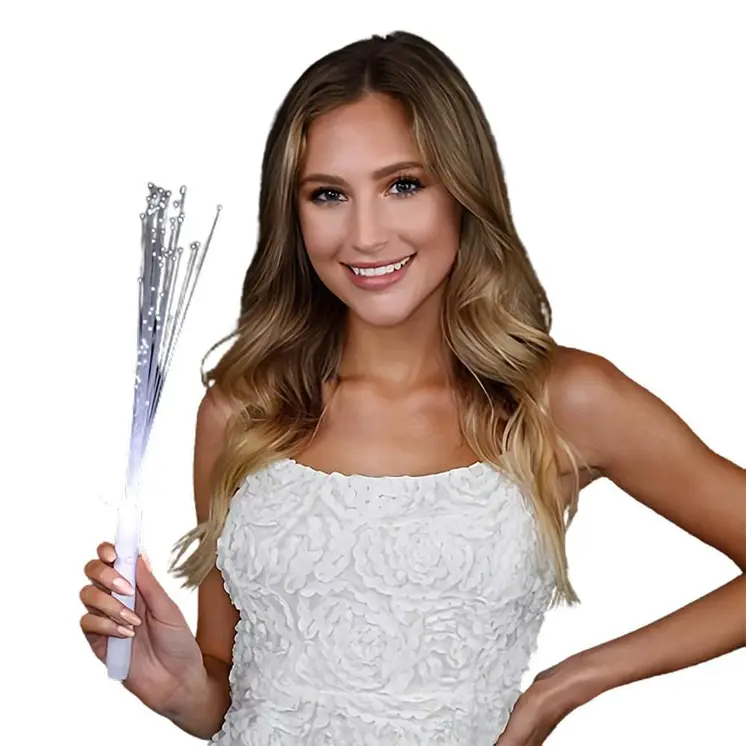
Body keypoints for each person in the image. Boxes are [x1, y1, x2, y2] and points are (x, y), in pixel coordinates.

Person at [78, 30, 746, 745]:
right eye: (328, 194)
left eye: (403, 185)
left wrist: (566, 685)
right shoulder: (244, 410)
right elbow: (232, 693)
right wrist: (180, 692)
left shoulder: (561, 401)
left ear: (462, 189)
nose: (366, 235)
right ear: (292, 215)